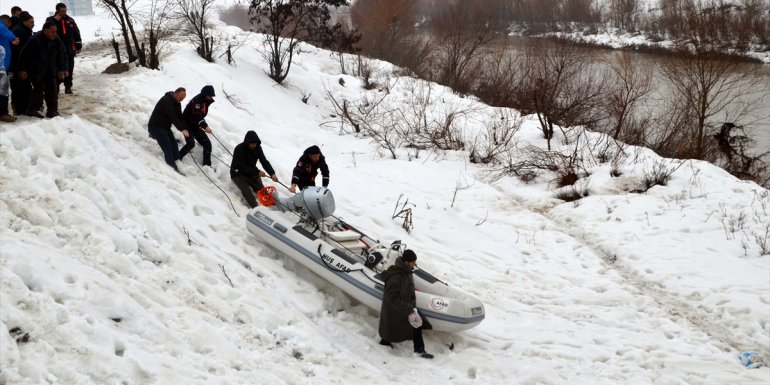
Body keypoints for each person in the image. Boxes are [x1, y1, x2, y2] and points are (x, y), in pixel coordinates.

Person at [378, 249, 434, 359]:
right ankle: (384, 343)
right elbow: (393, 298)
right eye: (413, 262)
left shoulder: (407, 272)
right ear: (406, 262)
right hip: (394, 310)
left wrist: (412, 307)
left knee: (417, 325)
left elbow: (410, 289)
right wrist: (409, 309)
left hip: (407, 307)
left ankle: (419, 350)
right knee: (391, 329)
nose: (415, 264)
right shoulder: (394, 277)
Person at [17, 21, 67, 118]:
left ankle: (52, 111)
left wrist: (62, 68)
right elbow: (23, 55)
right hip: (36, 70)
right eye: (52, 32)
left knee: (52, 89)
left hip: (51, 69)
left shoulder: (56, 39)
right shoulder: (34, 39)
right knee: (38, 90)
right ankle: (33, 110)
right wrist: (21, 69)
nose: (54, 34)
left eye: (55, 32)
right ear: (45, 30)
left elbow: (62, 54)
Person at [230, 130, 278, 208]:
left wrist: (272, 173)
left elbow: (264, 161)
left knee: (262, 191)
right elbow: (241, 167)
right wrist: (257, 172)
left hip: (252, 172)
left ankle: (271, 206)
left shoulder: (258, 148)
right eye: (252, 143)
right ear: (247, 142)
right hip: (237, 173)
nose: (254, 145)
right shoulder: (239, 149)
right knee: (246, 191)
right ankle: (255, 207)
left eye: (255, 143)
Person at [148, 88, 189, 174]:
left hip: (165, 127)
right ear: (175, 94)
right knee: (168, 146)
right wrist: (181, 129)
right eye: (181, 98)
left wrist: (185, 128)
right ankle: (172, 168)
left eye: (183, 98)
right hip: (155, 127)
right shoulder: (166, 101)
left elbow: (180, 117)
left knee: (174, 145)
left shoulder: (177, 103)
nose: (181, 100)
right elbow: (173, 117)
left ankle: (178, 165)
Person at [46, 2, 80, 94]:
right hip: (56, 50)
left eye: (65, 10)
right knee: (57, 69)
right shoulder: (50, 20)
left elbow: (77, 32)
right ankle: (56, 87)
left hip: (69, 49)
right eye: (62, 11)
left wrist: (78, 43)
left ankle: (68, 86)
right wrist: (55, 20)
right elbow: (47, 31)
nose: (64, 12)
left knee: (69, 68)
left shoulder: (70, 20)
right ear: (57, 11)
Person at [179, 85, 215, 167]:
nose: (211, 98)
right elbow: (197, 115)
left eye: (211, 96)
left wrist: (202, 125)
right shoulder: (197, 101)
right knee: (191, 143)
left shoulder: (205, 102)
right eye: (209, 96)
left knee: (207, 144)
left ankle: (207, 166)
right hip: (187, 125)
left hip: (195, 125)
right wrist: (205, 126)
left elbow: (199, 117)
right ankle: (177, 157)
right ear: (204, 94)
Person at [9, 11, 32, 116]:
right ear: (25, 22)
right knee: (20, 88)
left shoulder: (25, 30)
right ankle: (20, 109)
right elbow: (18, 53)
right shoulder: (19, 32)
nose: (33, 24)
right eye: (31, 22)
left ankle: (22, 108)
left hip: (22, 66)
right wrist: (21, 69)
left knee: (23, 87)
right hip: (18, 67)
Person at [0, 15, 19, 122]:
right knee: (3, 90)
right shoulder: (1, 26)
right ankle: (3, 113)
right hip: (1, 66)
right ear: (7, 22)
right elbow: (10, 35)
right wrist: (14, 38)